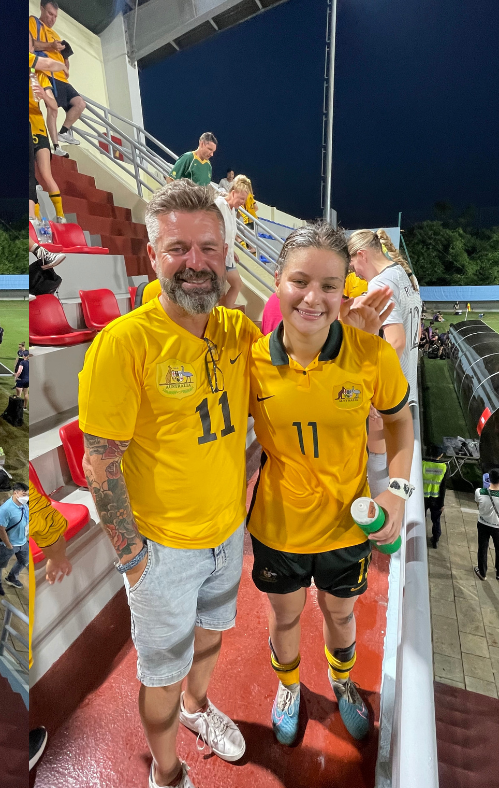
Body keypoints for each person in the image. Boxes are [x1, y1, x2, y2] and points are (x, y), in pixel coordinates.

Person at [77, 180, 393, 788]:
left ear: (226, 256)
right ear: (152, 255)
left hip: (228, 535)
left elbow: (306, 376)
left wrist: (350, 339)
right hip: (161, 550)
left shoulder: (235, 332)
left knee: (210, 643)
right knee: (160, 675)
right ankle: (166, 774)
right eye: (177, 249)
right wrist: (133, 557)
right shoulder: (123, 344)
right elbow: (100, 461)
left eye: (207, 248)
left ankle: (199, 709)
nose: (194, 262)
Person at [247, 222, 413, 748]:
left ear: (346, 290)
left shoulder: (371, 356)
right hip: (278, 528)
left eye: (329, 285)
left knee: (341, 614)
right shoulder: (248, 362)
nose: (313, 297)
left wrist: (397, 492)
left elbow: (400, 424)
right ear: (277, 281)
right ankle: (290, 687)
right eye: (300, 281)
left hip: (347, 526)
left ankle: (342, 684)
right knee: (287, 615)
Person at [348, 229, 422, 496]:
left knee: (378, 460)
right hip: (406, 386)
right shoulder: (406, 276)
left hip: (389, 391)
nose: (353, 272)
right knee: (391, 458)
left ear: (362, 255)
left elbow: (397, 340)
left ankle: (381, 521)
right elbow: (418, 334)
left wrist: (374, 384)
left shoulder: (380, 282)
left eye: (352, 263)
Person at [31, 2, 86, 153]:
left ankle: (64, 132)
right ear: (42, 9)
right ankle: (55, 146)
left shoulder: (56, 35)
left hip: (62, 78)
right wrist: (51, 46)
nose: (52, 19)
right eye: (49, 14)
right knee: (52, 109)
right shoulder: (34, 22)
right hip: (48, 73)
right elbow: (32, 44)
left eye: (55, 16)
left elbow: (64, 56)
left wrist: (66, 65)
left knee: (80, 103)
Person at [30, 73, 66, 222]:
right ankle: (36, 219)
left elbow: (53, 105)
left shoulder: (39, 76)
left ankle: (61, 216)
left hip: (38, 130)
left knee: (46, 174)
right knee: (30, 178)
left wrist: (44, 94)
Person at [216, 175, 251, 309]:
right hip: (218, 256)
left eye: (245, 200)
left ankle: (225, 315)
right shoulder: (219, 204)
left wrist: (232, 250)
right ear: (233, 193)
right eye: (241, 198)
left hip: (227, 256)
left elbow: (228, 234)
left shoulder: (232, 210)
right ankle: (224, 316)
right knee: (223, 289)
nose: (243, 202)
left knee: (235, 285)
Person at [0, 484, 31, 596]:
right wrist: (8, 545)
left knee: (24, 561)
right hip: (9, 544)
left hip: (23, 542)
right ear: (15, 492)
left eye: (27, 494)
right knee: (1, 564)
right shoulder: (5, 509)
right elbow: (1, 528)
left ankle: (12, 577)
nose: (26, 496)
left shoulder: (24, 505)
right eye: (24, 494)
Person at [474, 470, 499, 581]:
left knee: (483, 547)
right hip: (497, 527)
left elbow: (478, 504)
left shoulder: (479, 492)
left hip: (483, 523)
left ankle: (482, 572)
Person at [423, 446, 447, 549]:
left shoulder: (423, 464)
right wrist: (442, 504)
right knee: (436, 520)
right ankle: (435, 540)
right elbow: (443, 487)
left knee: (420, 519)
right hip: (436, 499)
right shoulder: (444, 467)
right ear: (441, 455)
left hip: (422, 498)